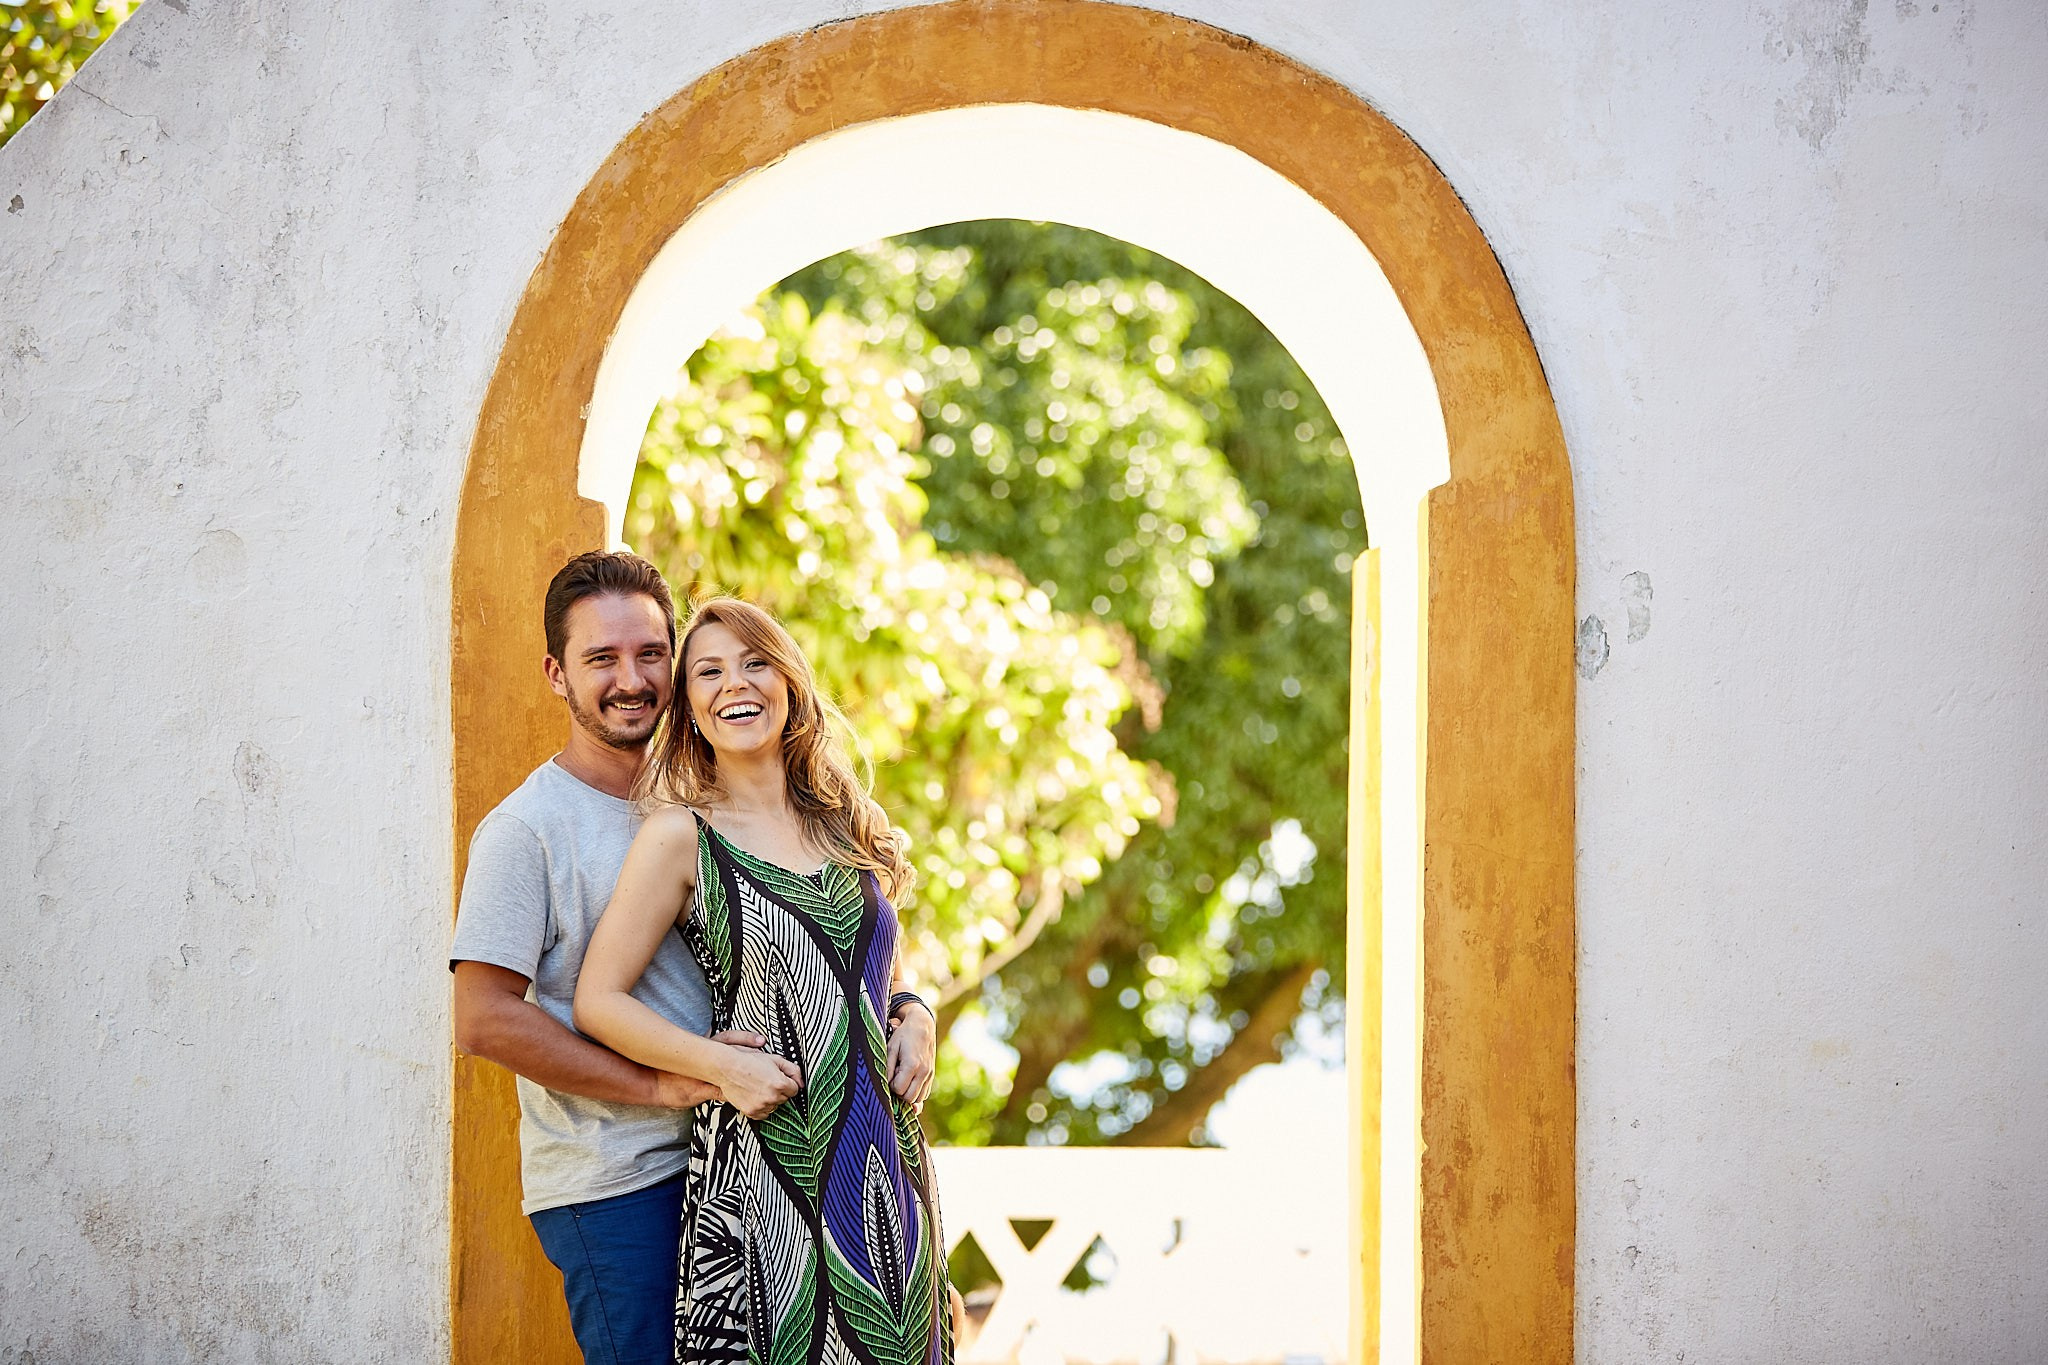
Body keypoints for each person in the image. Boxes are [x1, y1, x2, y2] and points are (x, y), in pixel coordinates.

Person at [574, 596, 952, 1363]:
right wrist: (718, 1064)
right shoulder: (681, 835)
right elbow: (596, 1000)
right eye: (709, 671)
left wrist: (917, 1014)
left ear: (788, 681)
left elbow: (879, 973)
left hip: (889, 1169)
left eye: (754, 662)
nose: (735, 684)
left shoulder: (850, 821)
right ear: (689, 705)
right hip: (767, 1169)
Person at [449, 551, 771, 1365]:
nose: (631, 679)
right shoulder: (526, 830)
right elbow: (483, 1019)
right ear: (556, 673)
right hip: (617, 1183)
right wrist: (657, 1086)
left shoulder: (706, 800)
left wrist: (907, 1006)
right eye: (602, 658)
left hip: (734, 1158)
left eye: (650, 653)